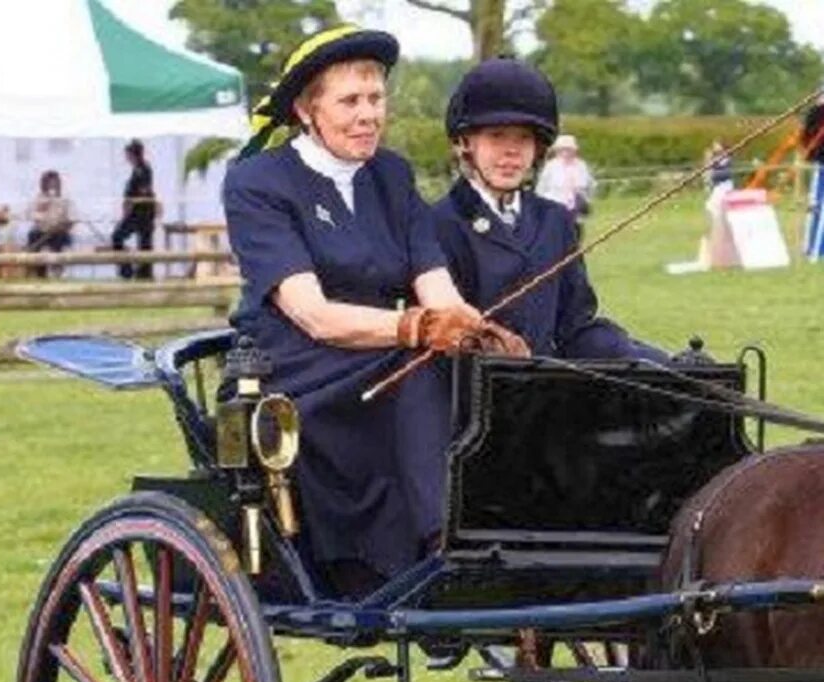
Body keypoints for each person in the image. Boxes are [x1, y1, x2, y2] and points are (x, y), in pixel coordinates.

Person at [223, 25, 524, 596]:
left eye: (376, 99)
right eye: (350, 102)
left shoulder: (392, 174)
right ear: (308, 110)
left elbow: (434, 282)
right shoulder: (257, 182)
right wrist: (418, 327)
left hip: (381, 348)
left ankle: (509, 530)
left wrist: (475, 329)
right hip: (294, 366)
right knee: (421, 372)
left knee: (486, 372)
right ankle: (441, 549)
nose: (368, 115)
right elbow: (312, 314)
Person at [432, 58, 665, 362]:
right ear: (465, 143)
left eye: (524, 138)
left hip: (545, 399)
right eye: (497, 136)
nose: (511, 152)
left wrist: (655, 361)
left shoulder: (555, 220)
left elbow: (575, 327)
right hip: (468, 399)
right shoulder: (439, 223)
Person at [112, 140, 157, 280]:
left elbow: (143, 192)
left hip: (142, 213)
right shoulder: (137, 169)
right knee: (140, 243)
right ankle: (132, 271)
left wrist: (129, 205)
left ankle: (137, 273)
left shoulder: (143, 170)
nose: (126, 157)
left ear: (133, 154)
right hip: (137, 212)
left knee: (120, 237)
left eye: (128, 154)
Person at [534, 132, 595, 235]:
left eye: (568, 149)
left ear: (574, 150)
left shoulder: (581, 166)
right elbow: (541, 189)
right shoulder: (551, 166)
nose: (565, 153)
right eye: (562, 149)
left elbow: (590, 186)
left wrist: (586, 200)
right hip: (555, 207)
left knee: (575, 236)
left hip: (575, 210)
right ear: (557, 151)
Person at [26, 171, 75, 270]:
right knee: (32, 235)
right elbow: (31, 215)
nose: (51, 185)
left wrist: (62, 226)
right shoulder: (38, 199)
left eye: (54, 182)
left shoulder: (65, 199)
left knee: (58, 239)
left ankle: (57, 268)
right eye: (49, 183)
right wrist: (42, 209)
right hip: (42, 231)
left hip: (60, 231)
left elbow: (72, 219)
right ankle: (38, 270)